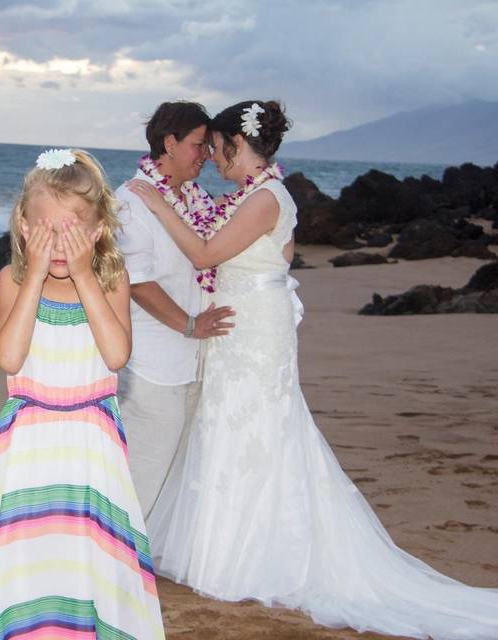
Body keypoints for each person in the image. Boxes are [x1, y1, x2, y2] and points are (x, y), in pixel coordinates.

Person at [130, 100, 498, 639]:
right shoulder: (249, 195)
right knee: (228, 428)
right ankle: (222, 545)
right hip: (236, 325)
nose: (211, 157)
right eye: (203, 147)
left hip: (254, 329)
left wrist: (159, 206)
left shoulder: (266, 198)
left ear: (237, 143)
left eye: (217, 146)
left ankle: (256, 554)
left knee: (260, 428)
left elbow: (207, 256)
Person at [0, 148, 164, 639]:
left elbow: (115, 355)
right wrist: (32, 273)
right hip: (29, 448)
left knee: (88, 563)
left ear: (95, 232)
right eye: (45, 229)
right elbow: (10, 358)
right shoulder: (13, 278)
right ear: (25, 228)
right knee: (31, 564)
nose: (58, 243)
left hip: (91, 447)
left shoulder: (112, 280)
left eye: (70, 230)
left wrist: (85, 274)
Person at [115, 101, 235, 519]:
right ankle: (117, 555)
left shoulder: (195, 198)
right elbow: (137, 281)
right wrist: (188, 324)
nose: (205, 155)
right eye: (199, 145)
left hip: (193, 356)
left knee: (176, 463)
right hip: (152, 359)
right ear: (169, 143)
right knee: (144, 464)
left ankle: (149, 551)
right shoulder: (131, 202)